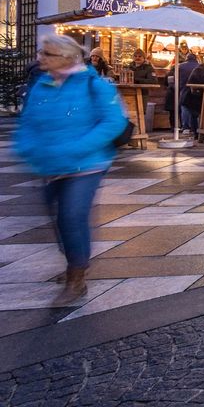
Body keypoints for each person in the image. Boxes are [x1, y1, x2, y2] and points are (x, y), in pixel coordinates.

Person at [16, 35, 128, 303]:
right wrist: (29, 148)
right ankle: (74, 260)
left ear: (67, 57)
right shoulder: (42, 85)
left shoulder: (95, 85)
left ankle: (76, 277)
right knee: (56, 217)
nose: (40, 57)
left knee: (72, 216)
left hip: (87, 164)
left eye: (47, 54)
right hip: (49, 164)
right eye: (41, 52)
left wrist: (76, 149)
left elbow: (113, 123)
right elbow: (29, 122)